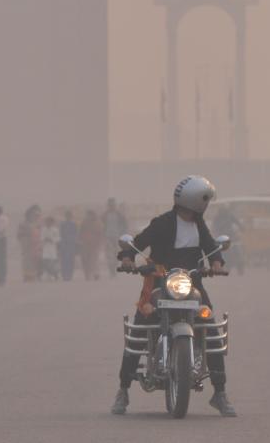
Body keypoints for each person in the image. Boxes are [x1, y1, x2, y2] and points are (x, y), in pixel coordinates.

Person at [111, 176, 237, 417]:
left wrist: (217, 264)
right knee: (138, 332)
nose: (206, 205)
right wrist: (128, 259)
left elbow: (212, 249)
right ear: (196, 201)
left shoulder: (199, 225)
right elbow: (137, 243)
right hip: (159, 281)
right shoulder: (163, 223)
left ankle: (219, 393)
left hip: (192, 284)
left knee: (210, 329)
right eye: (204, 200)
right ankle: (123, 391)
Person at [102, 198, 127, 278]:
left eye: (113, 205)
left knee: (116, 254)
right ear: (108, 205)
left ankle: (114, 270)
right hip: (107, 237)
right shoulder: (105, 215)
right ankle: (111, 271)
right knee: (109, 255)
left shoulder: (119, 215)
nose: (111, 206)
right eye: (110, 205)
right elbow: (101, 226)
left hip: (117, 237)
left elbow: (124, 225)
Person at [18, 205, 42, 282]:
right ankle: (27, 276)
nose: (33, 216)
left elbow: (40, 233)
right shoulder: (23, 224)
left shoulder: (37, 224)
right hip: (26, 244)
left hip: (35, 244)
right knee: (26, 260)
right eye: (32, 215)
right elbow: (19, 235)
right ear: (28, 215)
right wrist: (25, 238)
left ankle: (33, 275)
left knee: (34, 259)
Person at [79, 210, 104, 281]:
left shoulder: (98, 223)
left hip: (94, 244)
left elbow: (100, 234)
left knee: (94, 260)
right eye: (87, 215)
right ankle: (87, 274)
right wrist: (80, 240)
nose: (88, 217)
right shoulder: (84, 222)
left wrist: (100, 243)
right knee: (85, 259)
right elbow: (81, 232)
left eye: (89, 215)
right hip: (85, 244)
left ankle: (95, 273)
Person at [58, 210, 79, 281]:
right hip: (64, 245)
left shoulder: (74, 225)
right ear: (66, 216)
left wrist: (73, 241)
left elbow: (76, 235)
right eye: (67, 216)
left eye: (69, 216)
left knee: (70, 261)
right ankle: (64, 275)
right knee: (64, 261)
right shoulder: (62, 225)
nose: (68, 217)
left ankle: (69, 275)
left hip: (71, 245)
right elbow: (60, 234)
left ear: (71, 217)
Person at [40, 216, 61, 280]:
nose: (48, 223)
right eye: (47, 222)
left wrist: (52, 240)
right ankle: (48, 275)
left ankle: (55, 274)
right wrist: (45, 239)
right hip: (46, 247)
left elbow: (58, 238)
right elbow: (41, 237)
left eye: (49, 222)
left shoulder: (55, 230)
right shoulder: (43, 229)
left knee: (52, 262)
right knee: (46, 261)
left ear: (52, 223)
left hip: (52, 248)